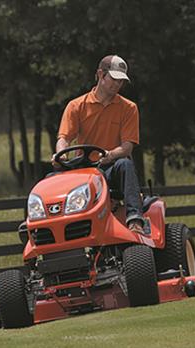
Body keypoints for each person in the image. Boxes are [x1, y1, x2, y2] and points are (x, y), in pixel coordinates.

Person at [53, 54, 145, 234]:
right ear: (101, 75)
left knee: (125, 163)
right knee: (50, 180)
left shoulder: (128, 108)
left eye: (121, 81)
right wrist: (60, 155)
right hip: (83, 171)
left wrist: (110, 154)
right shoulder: (76, 106)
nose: (117, 85)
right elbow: (63, 138)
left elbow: (127, 146)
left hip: (111, 168)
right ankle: (40, 225)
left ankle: (135, 220)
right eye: (114, 79)